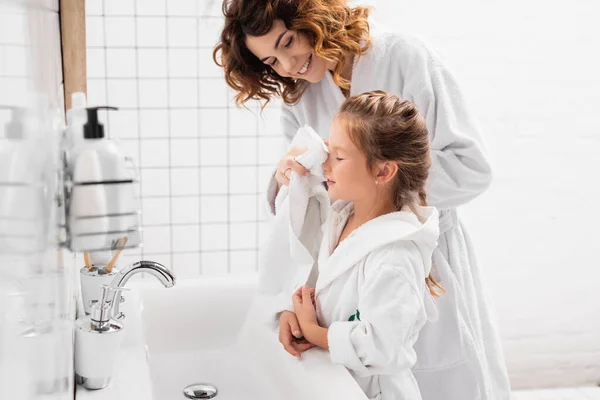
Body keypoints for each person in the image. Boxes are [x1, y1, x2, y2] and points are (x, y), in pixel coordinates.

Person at [214, 1, 511, 398]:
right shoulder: (300, 94)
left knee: (440, 380)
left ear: (313, 20)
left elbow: (471, 169)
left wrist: (379, 180)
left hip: (421, 260)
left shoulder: (403, 57)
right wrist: (293, 298)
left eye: (288, 42)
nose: (287, 65)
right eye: (271, 60)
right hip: (345, 265)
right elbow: (309, 209)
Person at [291, 91, 441, 400]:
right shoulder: (341, 218)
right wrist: (291, 317)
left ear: (383, 171)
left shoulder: (395, 254)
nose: (326, 166)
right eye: (326, 151)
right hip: (335, 381)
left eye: (339, 157)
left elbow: (384, 348)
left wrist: (314, 332)